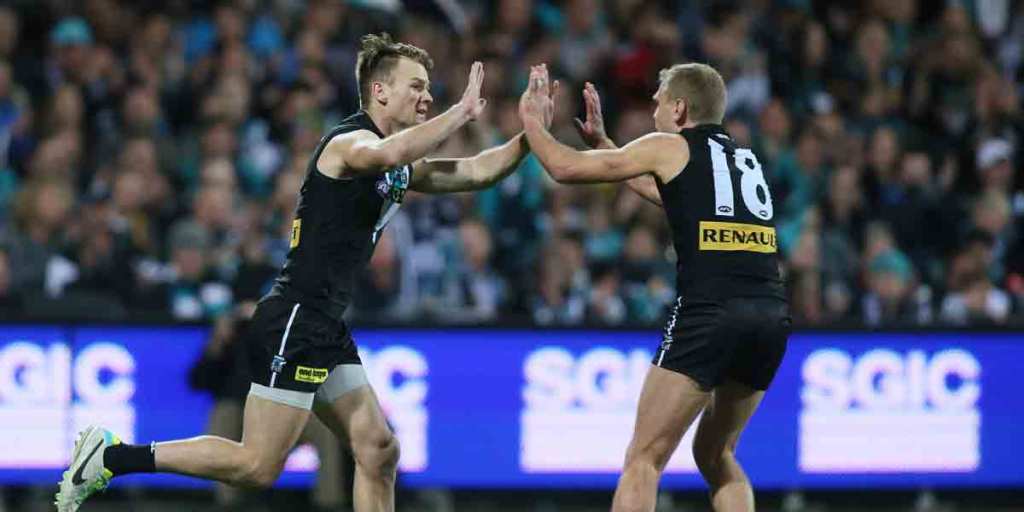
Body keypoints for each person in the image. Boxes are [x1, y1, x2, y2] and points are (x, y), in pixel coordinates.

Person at [57, 33, 552, 512]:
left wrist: (531, 136)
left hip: (324, 324)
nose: (426, 97)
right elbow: (385, 154)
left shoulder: (396, 163)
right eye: (416, 86)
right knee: (257, 465)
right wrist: (461, 113)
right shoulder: (349, 142)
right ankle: (111, 456)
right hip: (296, 318)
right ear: (379, 90)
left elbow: (476, 171)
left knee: (379, 450)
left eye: (428, 88)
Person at [519, 64, 790, 512]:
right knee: (717, 454)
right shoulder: (743, 157)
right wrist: (608, 148)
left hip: (710, 311)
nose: (654, 107)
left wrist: (531, 120)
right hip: (771, 316)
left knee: (643, 459)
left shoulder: (670, 144)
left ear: (680, 108)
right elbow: (674, 194)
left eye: (660, 98)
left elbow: (563, 168)